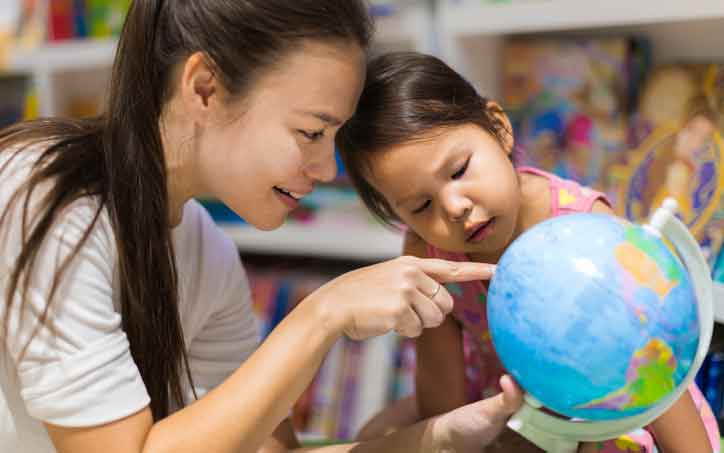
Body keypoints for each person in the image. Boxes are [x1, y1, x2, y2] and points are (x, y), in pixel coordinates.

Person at [0, 3, 525, 452]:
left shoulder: (206, 251)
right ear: (204, 88)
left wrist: (439, 436)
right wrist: (322, 314)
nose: (324, 170)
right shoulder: (43, 196)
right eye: (311, 132)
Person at [336, 51, 721, 453]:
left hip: (611, 406)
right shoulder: (428, 252)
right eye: (420, 207)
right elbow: (441, 406)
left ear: (500, 128)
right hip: (505, 406)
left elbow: (651, 369)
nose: (454, 207)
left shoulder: (583, 223)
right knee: (375, 435)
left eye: (459, 170)